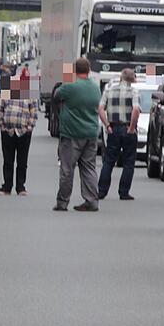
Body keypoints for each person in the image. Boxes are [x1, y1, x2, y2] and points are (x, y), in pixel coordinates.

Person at [52, 57, 100, 212]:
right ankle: (91, 200)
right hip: (91, 133)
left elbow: (57, 95)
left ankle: (62, 202)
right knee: (89, 168)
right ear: (89, 69)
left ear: (75, 70)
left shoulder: (70, 86)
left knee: (67, 169)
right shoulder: (95, 87)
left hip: (71, 134)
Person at [96, 68, 140, 201]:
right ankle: (124, 192)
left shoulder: (109, 90)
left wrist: (107, 125)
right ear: (132, 79)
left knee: (109, 161)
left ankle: (102, 191)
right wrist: (131, 128)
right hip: (127, 128)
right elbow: (136, 110)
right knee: (128, 162)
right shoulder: (134, 91)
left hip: (113, 128)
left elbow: (100, 109)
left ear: (121, 77)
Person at [0, 75, 37, 195]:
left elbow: (34, 113)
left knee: (22, 161)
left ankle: (21, 187)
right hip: (8, 131)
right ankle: (7, 187)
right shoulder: (6, 94)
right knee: (8, 160)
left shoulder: (29, 96)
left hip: (24, 133)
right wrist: (2, 127)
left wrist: (29, 128)